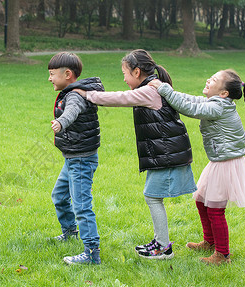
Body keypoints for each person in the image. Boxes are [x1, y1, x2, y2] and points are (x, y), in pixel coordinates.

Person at [74, 49, 197, 260]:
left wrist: (87, 95)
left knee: (152, 197)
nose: (123, 77)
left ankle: (163, 248)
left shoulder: (149, 90)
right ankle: (160, 242)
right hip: (163, 152)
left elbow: (120, 98)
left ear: (137, 71)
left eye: (125, 73)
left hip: (166, 154)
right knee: (152, 196)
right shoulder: (151, 86)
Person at [148, 69, 245, 265]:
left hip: (226, 162)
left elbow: (191, 109)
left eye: (214, 80)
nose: (209, 79)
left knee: (215, 209)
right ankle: (209, 242)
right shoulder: (216, 103)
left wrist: (165, 90)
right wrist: (168, 90)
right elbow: (190, 99)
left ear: (224, 93)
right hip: (219, 159)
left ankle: (222, 255)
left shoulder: (218, 108)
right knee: (201, 199)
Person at [48, 52, 105, 264]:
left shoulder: (75, 96)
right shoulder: (73, 91)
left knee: (82, 205)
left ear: (68, 74)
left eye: (52, 74)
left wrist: (61, 122)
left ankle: (91, 253)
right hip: (72, 158)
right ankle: (70, 231)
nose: (50, 78)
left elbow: (71, 111)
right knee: (60, 196)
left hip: (81, 160)